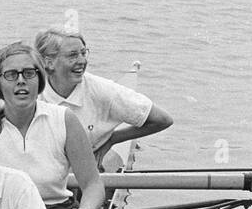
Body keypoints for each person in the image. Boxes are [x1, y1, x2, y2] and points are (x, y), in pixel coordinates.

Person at [0, 42, 107, 209]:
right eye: (11, 75)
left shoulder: (64, 119)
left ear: (39, 80)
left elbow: (92, 184)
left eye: (29, 73)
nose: (21, 80)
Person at [35, 28, 173, 166]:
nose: (82, 61)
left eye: (83, 53)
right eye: (73, 55)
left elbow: (162, 120)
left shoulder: (102, 90)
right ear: (48, 62)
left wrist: (113, 139)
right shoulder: (30, 93)